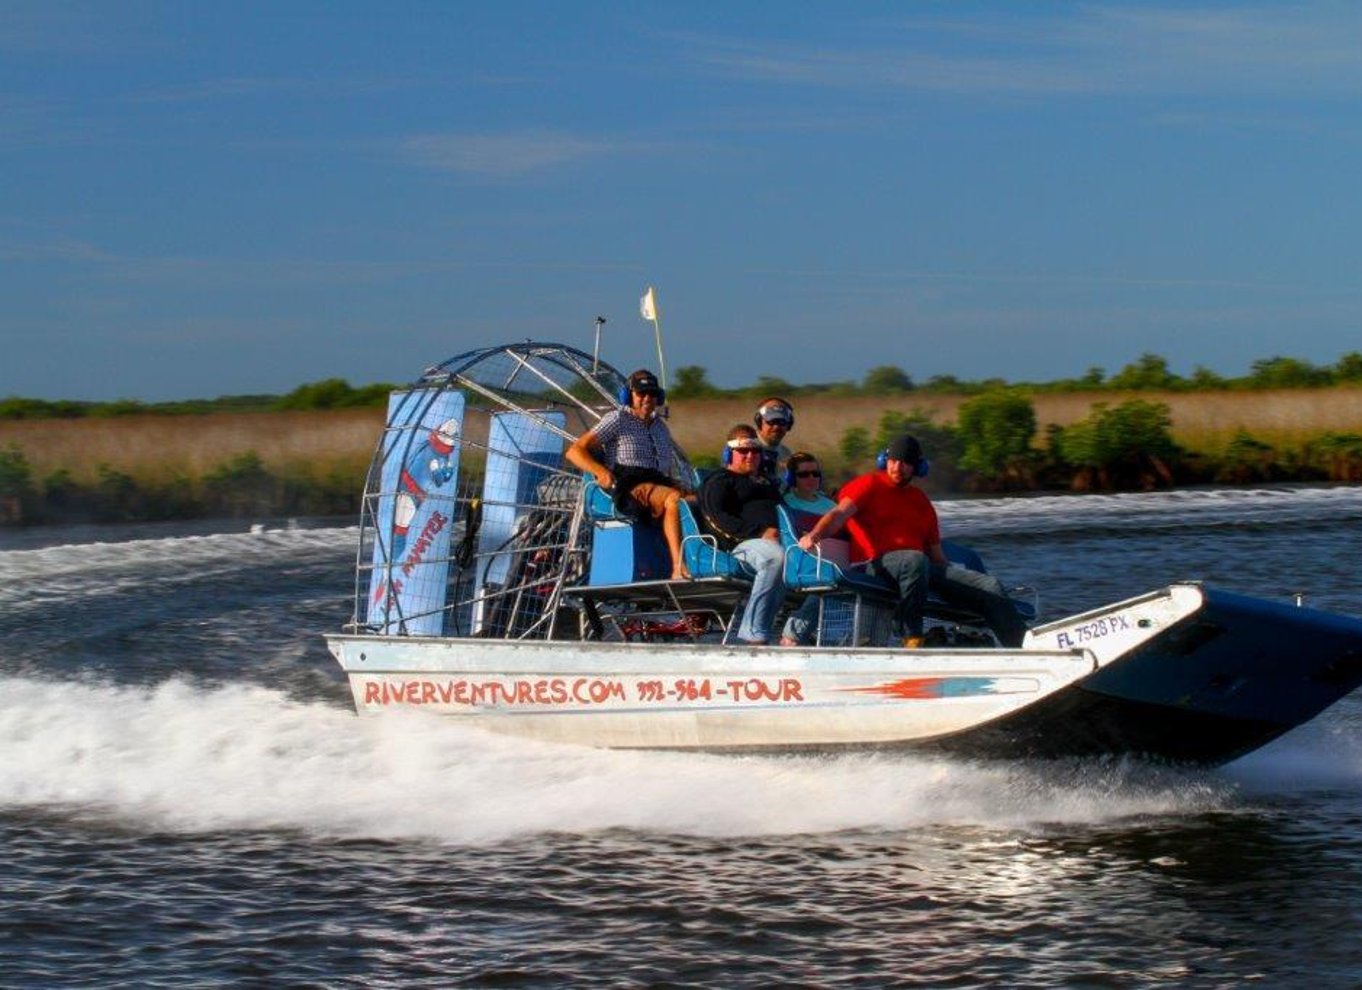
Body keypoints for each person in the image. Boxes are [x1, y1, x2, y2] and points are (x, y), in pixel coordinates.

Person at [797, 434, 1027, 648]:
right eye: (893, 460)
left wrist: (959, 583)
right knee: (915, 560)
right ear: (884, 460)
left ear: (917, 467)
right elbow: (838, 514)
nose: (898, 467)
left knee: (990, 586)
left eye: (906, 462)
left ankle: (1025, 648)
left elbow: (937, 557)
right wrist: (814, 536)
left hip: (918, 569)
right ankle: (911, 635)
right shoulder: (869, 484)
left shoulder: (921, 502)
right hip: (873, 565)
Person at [566, 368, 692, 580]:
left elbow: (664, 471)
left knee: (697, 500)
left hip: (657, 483)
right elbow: (574, 451)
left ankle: (702, 561)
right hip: (629, 485)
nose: (646, 399)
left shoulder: (661, 428)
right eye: (641, 394)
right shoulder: (618, 419)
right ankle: (678, 567)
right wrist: (600, 471)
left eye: (652, 394)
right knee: (673, 499)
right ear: (629, 396)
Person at [698, 425, 787, 645]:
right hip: (739, 546)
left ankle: (794, 636)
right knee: (775, 558)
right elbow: (715, 517)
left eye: (755, 451)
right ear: (729, 454)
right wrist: (760, 532)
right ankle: (752, 631)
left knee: (810, 562)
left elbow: (786, 512)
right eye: (743, 451)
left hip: (777, 542)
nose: (750, 456)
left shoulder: (766, 483)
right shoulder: (719, 480)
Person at [778, 452, 840, 647]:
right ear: (792, 478)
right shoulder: (787, 503)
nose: (811, 479)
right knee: (832, 583)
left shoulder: (830, 504)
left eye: (815, 474)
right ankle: (793, 635)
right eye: (804, 475)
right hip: (804, 557)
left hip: (834, 554)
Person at [753, 397, 795, 484]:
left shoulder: (786, 454)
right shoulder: (744, 450)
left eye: (781, 422)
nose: (776, 427)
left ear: (789, 425)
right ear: (759, 422)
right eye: (771, 421)